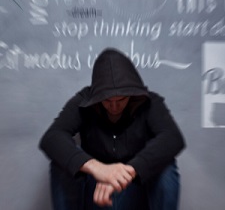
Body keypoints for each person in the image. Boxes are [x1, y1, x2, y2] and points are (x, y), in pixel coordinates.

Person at [39, 48, 185, 210]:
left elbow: (173, 138)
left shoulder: (150, 102)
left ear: (132, 94)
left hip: (135, 188)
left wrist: (128, 172)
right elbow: (52, 137)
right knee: (61, 162)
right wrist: (97, 168)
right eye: (107, 101)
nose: (114, 107)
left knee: (166, 166)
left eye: (121, 100)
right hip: (95, 192)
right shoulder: (83, 100)